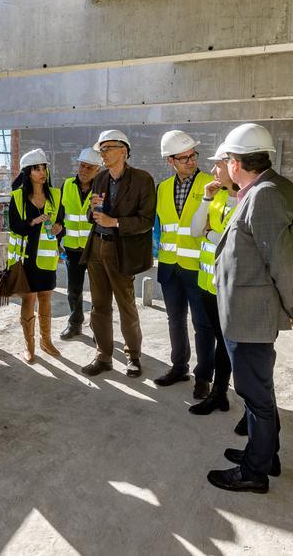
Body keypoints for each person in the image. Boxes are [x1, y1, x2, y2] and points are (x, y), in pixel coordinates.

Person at [207, 123, 293, 494]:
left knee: (255, 395)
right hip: (251, 310)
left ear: (236, 162)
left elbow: (280, 260)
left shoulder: (263, 194)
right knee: (259, 390)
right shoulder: (272, 188)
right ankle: (266, 453)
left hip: (251, 314)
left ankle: (255, 470)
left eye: (226, 160)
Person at [80, 129, 157, 378]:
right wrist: (92, 211)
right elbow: (92, 215)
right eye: (100, 149)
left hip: (121, 249)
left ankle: (133, 356)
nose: (101, 153)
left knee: (126, 306)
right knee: (99, 307)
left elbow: (146, 220)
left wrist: (114, 222)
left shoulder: (142, 179)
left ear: (123, 151)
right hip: (97, 248)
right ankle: (103, 356)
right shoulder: (100, 179)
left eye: (107, 148)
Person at [154, 130, 218, 399]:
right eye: (183, 158)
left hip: (198, 269)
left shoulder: (211, 184)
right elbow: (159, 227)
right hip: (170, 267)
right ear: (170, 161)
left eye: (193, 155)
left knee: (203, 325)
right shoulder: (163, 188)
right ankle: (179, 367)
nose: (190, 161)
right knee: (175, 320)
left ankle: (204, 377)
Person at [186, 140, 239, 415]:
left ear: (232, 165)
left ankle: (222, 393)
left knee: (229, 343)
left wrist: (212, 234)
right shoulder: (217, 197)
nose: (213, 170)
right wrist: (206, 198)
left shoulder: (245, 199)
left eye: (217, 164)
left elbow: (236, 243)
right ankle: (218, 392)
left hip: (229, 287)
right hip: (208, 284)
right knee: (219, 339)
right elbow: (196, 230)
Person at [7, 148, 64, 363]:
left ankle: (45, 341)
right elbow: (15, 226)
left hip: (47, 258)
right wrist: (32, 222)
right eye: (36, 169)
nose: (42, 172)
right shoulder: (18, 197)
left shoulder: (56, 195)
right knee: (28, 300)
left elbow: (62, 224)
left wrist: (60, 228)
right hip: (26, 259)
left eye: (44, 168)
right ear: (28, 173)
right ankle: (29, 346)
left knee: (46, 299)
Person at [60, 147, 102, 340]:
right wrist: (57, 242)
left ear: (97, 170)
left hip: (94, 248)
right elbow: (60, 216)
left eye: (89, 167)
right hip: (72, 248)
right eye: (82, 165)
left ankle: (98, 327)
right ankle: (75, 323)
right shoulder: (67, 185)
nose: (84, 170)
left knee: (98, 292)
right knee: (73, 291)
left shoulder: (102, 188)